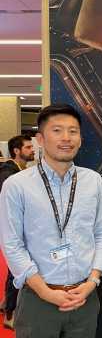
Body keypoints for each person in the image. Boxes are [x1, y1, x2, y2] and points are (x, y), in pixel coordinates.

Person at [0, 104, 102, 338]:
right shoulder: (17, 185)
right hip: (38, 300)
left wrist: (92, 281)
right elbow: (11, 243)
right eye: (57, 130)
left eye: (73, 131)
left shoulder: (93, 181)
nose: (66, 138)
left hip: (85, 298)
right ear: (40, 139)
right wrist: (45, 292)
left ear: (80, 139)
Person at [0, 135, 35, 329]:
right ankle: (9, 314)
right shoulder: (8, 172)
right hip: (13, 227)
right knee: (16, 269)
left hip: (20, 225)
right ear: (16, 151)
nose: (33, 150)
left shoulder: (21, 169)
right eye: (29, 147)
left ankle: (6, 303)